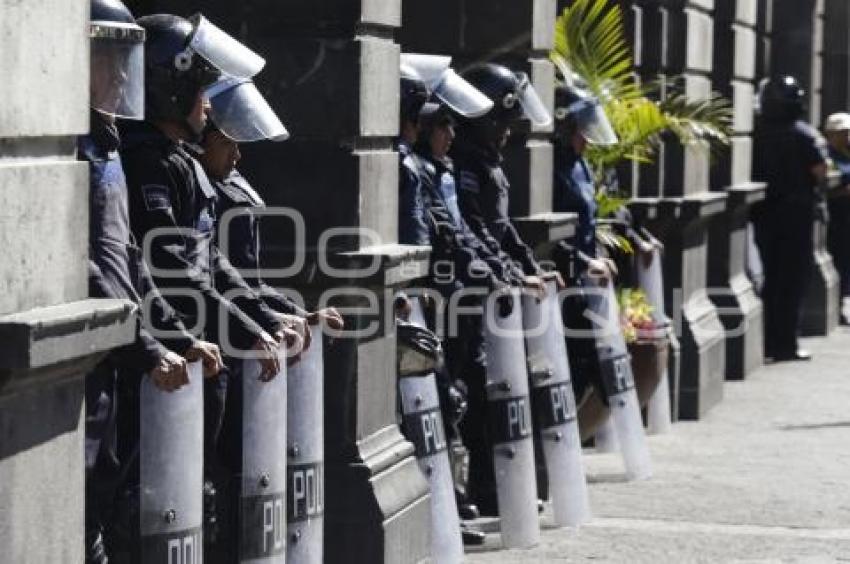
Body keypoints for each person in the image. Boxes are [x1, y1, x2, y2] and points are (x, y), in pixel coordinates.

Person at [118, 13, 304, 556]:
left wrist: (265, 322)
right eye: (201, 89)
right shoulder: (146, 162)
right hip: (165, 361)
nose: (208, 104)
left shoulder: (182, 162)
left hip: (203, 354)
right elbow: (172, 267)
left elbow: (214, 265)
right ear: (170, 87)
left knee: (198, 505)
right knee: (152, 508)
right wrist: (242, 332)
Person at [82, 2, 223, 561]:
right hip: (93, 363)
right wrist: (147, 347)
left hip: (115, 361)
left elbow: (131, 262)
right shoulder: (77, 148)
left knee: (101, 507)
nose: (121, 75)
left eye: (125, 60)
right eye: (107, 59)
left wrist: (175, 341)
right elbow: (84, 266)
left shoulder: (107, 144)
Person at [197, 76, 344, 561]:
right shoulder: (197, 189)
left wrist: (295, 314)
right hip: (215, 346)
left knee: (249, 473)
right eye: (230, 144)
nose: (239, 157)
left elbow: (246, 280)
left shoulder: (227, 182)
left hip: (244, 341)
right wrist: (264, 322)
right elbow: (209, 280)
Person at [753, 75, 828, 361]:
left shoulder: (757, 133)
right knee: (792, 280)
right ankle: (785, 344)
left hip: (764, 214)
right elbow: (820, 172)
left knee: (770, 280)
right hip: (796, 216)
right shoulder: (803, 134)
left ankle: (770, 342)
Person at [823, 112, 850, 323]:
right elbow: (824, 186)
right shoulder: (826, 156)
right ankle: (838, 305)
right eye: (842, 133)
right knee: (839, 260)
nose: (846, 137)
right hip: (836, 217)